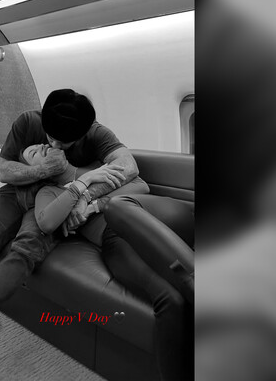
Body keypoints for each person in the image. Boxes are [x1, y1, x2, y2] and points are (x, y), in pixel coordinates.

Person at [0, 89, 141, 376]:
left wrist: (84, 191)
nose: (55, 145)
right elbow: (4, 171)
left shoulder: (96, 133)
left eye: (65, 142)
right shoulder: (27, 121)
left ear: (83, 132)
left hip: (54, 199)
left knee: (26, 249)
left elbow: (129, 167)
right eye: (51, 138)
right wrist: (43, 169)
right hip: (15, 195)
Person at [19, 143, 194, 380]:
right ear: (34, 171)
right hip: (116, 238)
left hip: (153, 216)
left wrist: (92, 203)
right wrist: (81, 186)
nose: (42, 146)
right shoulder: (48, 192)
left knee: (118, 206)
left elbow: (139, 186)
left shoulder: (93, 167)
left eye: (42, 144)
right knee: (171, 300)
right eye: (33, 153)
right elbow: (47, 222)